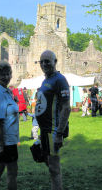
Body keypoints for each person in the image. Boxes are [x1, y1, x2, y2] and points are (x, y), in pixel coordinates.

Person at [35, 50, 71, 190]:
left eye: (47, 61)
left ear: (55, 62)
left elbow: (66, 108)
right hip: (45, 131)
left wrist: (59, 134)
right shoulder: (46, 80)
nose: (44, 64)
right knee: (48, 163)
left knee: (54, 168)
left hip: (53, 131)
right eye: (41, 61)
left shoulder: (59, 80)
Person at [0, 61, 19, 190]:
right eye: (2, 74)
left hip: (9, 140)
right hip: (5, 141)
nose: (6, 77)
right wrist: (1, 144)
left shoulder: (6, 91)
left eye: (8, 74)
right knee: (11, 172)